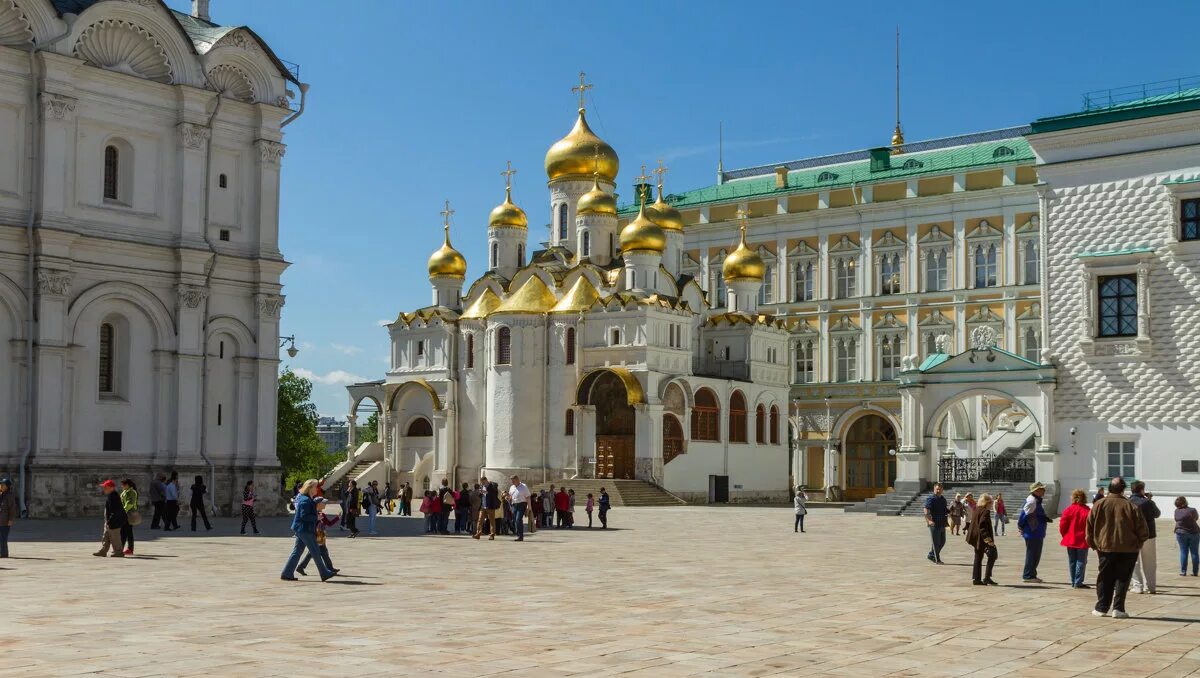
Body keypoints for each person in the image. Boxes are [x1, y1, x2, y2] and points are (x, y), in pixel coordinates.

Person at [1086, 477, 1148, 618]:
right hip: (1128, 548)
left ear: (1109, 489)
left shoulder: (1099, 504)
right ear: (1122, 489)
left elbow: (1089, 527)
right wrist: (1138, 543)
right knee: (1123, 578)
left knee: (1105, 577)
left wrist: (1093, 544)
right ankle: (1118, 608)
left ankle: (1101, 607)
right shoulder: (1131, 506)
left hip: (1105, 547)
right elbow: (1143, 530)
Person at [280, 479, 334, 582]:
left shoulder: (307, 498)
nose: (316, 489)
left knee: (297, 552)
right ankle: (324, 573)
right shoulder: (305, 500)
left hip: (301, 529)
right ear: (310, 488)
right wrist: (316, 518)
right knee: (316, 551)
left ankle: (287, 573)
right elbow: (304, 516)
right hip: (304, 529)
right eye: (315, 487)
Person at [1129, 481, 1160, 594]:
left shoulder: (1128, 502)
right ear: (1142, 490)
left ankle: (1138, 586)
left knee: (1134, 561)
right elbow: (1157, 514)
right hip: (1149, 534)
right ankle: (1151, 586)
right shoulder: (1148, 502)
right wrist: (1149, 500)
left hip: (1133, 535)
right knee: (1150, 562)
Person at [1018, 482, 1051, 583]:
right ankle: (1028, 575)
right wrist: (1021, 526)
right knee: (1032, 554)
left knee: (1034, 554)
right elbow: (1024, 515)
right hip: (1033, 532)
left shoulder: (1035, 500)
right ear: (1036, 491)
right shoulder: (1032, 501)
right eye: (1042, 489)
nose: (1044, 491)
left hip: (1036, 532)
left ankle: (1031, 574)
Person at [297, 497, 339, 578]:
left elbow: (329, 523)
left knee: (321, 552)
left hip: (321, 536)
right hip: (316, 536)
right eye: (323, 503)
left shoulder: (321, 514)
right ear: (318, 504)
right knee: (316, 552)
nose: (325, 504)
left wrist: (337, 518)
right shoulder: (315, 514)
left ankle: (301, 567)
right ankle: (328, 568)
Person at [1059, 489, 1091, 588]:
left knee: (1072, 561)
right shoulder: (1087, 511)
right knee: (1081, 561)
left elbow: (1062, 525)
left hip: (1070, 539)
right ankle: (1078, 581)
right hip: (1082, 540)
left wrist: (1065, 535)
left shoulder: (1068, 509)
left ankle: (1073, 580)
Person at [966, 493, 998, 585]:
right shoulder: (985, 511)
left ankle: (977, 579)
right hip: (981, 538)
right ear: (986, 503)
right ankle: (986, 578)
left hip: (975, 537)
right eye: (991, 502)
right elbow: (982, 526)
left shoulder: (977, 509)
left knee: (978, 557)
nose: (992, 504)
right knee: (992, 555)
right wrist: (989, 541)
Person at [94, 479, 127, 558]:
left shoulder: (113, 496)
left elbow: (114, 511)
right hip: (110, 521)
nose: (104, 489)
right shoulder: (111, 495)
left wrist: (109, 521)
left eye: (105, 487)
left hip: (114, 521)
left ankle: (118, 552)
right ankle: (103, 550)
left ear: (111, 488)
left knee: (115, 537)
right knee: (106, 536)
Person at [1174, 496, 1199, 577]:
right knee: (1194, 552)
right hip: (1194, 533)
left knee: (1183, 552)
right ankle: (1195, 572)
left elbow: (1176, 519)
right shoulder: (1192, 510)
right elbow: (1196, 518)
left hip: (1180, 533)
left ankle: (1183, 571)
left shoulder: (1176, 511)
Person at [924, 483, 948, 564]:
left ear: (942, 490)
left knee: (942, 541)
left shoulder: (943, 499)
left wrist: (951, 510)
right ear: (934, 489)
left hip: (942, 522)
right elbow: (926, 509)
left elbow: (945, 510)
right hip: (934, 523)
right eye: (937, 489)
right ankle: (937, 559)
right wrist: (929, 520)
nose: (938, 491)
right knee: (936, 542)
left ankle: (931, 555)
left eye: (940, 489)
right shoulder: (931, 498)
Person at [474, 476, 498, 540]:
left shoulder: (492, 485)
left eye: (483, 482)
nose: (482, 484)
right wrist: (480, 492)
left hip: (490, 506)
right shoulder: (481, 486)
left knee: (491, 520)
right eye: (482, 483)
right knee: (480, 520)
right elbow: (480, 496)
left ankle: (492, 534)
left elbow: (494, 494)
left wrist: (486, 492)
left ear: (486, 480)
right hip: (483, 506)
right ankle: (478, 533)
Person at [119, 479, 138, 555]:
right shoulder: (124, 492)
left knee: (128, 532)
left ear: (127, 485)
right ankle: (120, 548)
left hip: (129, 514)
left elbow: (130, 503)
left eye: (123, 485)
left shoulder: (132, 492)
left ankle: (130, 548)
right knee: (123, 531)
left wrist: (123, 511)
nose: (122, 486)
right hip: (124, 513)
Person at [509, 475, 531, 542]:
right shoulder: (512, 487)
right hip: (514, 505)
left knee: (518, 519)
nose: (512, 482)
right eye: (512, 481)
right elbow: (510, 496)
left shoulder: (524, 486)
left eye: (513, 480)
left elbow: (528, 497)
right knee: (515, 520)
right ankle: (518, 534)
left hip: (522, 504)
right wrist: (508, 498)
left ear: (517, 479)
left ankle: (520, 536)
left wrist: (529, 508)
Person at [0, 477, 15, 558]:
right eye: (1, 484)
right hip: (0, 519)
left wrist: (10, 519)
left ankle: (4, 554)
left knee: (3, 538)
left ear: (7, 486)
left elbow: (12, 508)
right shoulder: (1, 494)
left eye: (3, 484)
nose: (1, 486)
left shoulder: (9, 495)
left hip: (5, 521)